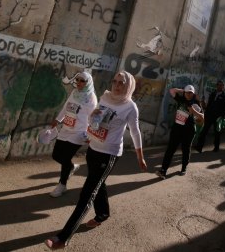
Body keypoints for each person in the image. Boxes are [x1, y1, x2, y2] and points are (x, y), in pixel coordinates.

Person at [45, 71, 148, 250]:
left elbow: (135, 131)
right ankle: (102, 214)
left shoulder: (130, 107)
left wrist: (140, 157)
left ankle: (63, 237)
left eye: (121, 83)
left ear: (128, 85)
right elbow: (95, 118)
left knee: (87, 193)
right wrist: (92, 125)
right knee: (99, 182)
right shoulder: (105, 97)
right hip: (93, 149)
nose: (116, 85)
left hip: (109, 154)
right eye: (114, 81)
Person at [48, 70, 97, 198]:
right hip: (66, 129)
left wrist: (90, 133)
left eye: (82, 80)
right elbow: (66, 107)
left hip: (79, 132)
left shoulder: (91, 97)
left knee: (65, 157)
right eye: (77, 80)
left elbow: (93, 117)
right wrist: (58, 120)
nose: (79, 83)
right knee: (56, 155)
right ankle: (71, 167)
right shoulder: (75, 92)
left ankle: (62, 185)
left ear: (88, 83)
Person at [156, 85, 203, 179]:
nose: (188, 94)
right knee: (170, 150)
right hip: (177, 128)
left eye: (191, 93)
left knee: (186, 150)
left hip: (189, 131)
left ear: (193, 94)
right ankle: (163, 171)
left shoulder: (196, 103)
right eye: (187, 92)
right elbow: (172, 91)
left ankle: (184, 168)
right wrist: (182, 90)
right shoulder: (181, 99)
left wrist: (194, 111)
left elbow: (202, 118)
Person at [194, 80, 225, 152]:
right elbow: (209, 104)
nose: (220, 86)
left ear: (223, 87)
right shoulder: (213, 94)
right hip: (209, 116)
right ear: (216, 86)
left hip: (218, 117)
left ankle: (216, 147)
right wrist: (205, 110)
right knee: (204, 131)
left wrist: (223, 116)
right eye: (218, 85)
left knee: (217, 133)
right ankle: (199, 147)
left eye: (221, 85)